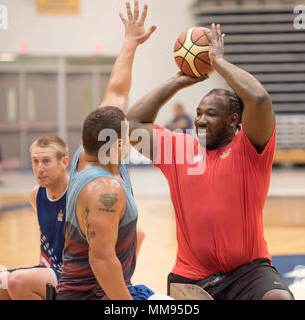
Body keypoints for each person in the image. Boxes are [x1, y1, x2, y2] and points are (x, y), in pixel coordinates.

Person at [126, 23, 294, 300]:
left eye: (211, 114)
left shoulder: (249, 150)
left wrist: (219, 63)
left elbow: (259, 99)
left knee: (279, 299)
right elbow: (132, 124)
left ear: (233, 122)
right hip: (192, 275)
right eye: (199, 112)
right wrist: (179, 80)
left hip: (249, 272)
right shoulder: (179, 150)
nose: (201, 119)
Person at [56, 0, 163, 300]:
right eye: (127, 137)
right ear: (116, 145)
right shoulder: (104, 189)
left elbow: (116, 91)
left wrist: (130, 41)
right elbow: (101, 261)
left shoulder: (88, 151)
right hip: (92, 296)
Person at [0, 134, 69, 300]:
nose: (39, 168)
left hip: (72, 275)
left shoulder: (78, 194)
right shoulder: (35, 195)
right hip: (48, 269)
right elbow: (46, 239)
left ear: (64, 162)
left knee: (16, 282)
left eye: (46, 161)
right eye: (35, 161)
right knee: (1, 284)